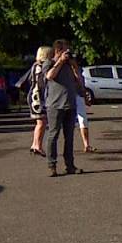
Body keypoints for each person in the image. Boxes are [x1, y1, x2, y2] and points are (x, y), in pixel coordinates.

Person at [42, 39, 84, 177]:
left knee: (69, 137)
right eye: (65, 50)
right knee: (53, 135)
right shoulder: (50, 62)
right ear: (58, 51)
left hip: (70, 104)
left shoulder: (70, 65)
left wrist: (74, 65)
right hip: (55, 105)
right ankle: (52, 165)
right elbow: (49, 76)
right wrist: (60, 61)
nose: (68, 53)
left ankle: (70, 165)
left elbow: (79, 80)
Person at [20, 46, 52, 156]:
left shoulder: (34, 65)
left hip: (34, 94)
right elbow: (42, 82)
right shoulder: (41, 66)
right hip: (37, 96)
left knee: (40, 121)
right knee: (42, 122)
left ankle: (34, 144)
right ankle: (38, 145)